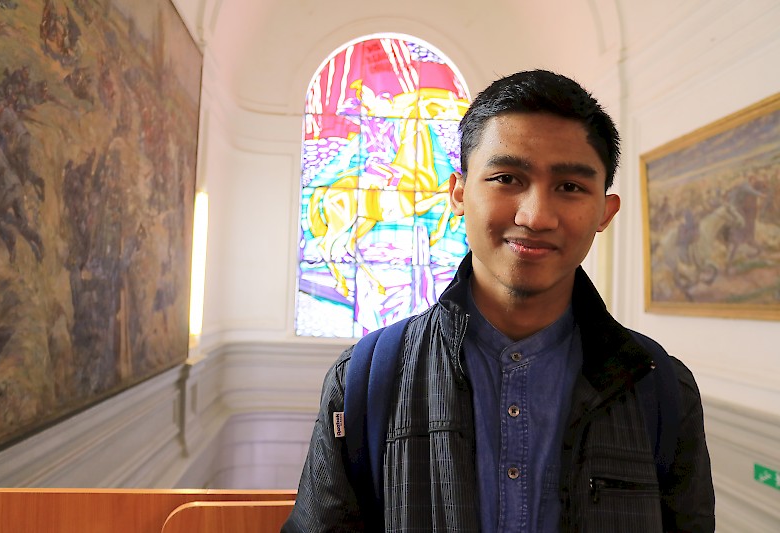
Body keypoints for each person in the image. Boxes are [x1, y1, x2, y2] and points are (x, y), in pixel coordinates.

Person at [283, 70, 715, 532]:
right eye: (507, 178)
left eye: (570, 187)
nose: (535, 216)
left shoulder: (659, 388)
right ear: (458, 193)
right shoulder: (366, 378)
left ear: (604, 212)